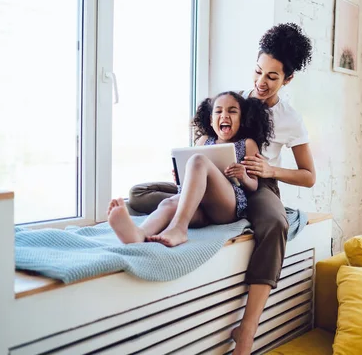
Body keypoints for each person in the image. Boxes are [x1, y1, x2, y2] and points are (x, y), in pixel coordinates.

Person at [128, 23, 316, 354]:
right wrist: (188, 163)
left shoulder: (290, 119)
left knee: (274, 224)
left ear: (288, 79)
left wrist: (270, 169)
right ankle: (187, 207)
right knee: (139, 193)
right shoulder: (235, 101)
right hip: (212, 175)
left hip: (257, 182)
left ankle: (246, 329)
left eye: (272, 77)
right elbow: (207, 138)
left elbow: (308, 175)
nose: (261, 82)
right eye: (259, 71)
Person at [107, 91, 273, 247]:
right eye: (218, 111)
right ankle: (138, 233)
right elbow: (192, 175)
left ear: (242, 118)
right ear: (210, 120)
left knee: (198, 160)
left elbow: (254, 186)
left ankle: (179, 228)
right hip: (200, 208)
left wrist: (243, 176)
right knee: (169, 203)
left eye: (232, 111)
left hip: (227, 208)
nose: (224, 115)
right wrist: (181, 176)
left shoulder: (247, 144)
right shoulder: (204, 140)